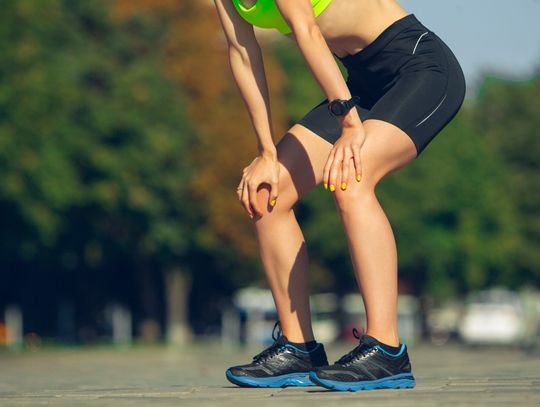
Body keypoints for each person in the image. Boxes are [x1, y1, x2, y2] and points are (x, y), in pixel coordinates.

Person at [213, 0, 465, 391]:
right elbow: (242, 54)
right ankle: (299, 348)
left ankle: (387, 349)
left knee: (351, 178)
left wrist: (348, 122)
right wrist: (266, 152)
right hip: (358, 83)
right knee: (267, 192)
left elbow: (306, 30)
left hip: (418, 68)